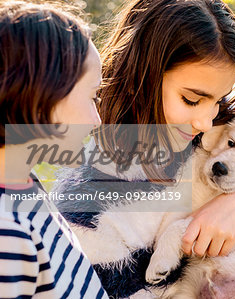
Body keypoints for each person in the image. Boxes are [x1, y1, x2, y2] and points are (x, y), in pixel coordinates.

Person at [50, 0, 235, 298]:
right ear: (142, 75)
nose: (206, 121)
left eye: (219, 99)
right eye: (191, 100)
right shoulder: (94, 201)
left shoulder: (207, 132)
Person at [0, 1, 108, 297]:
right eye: (92, 97)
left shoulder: (23, 182)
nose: (97, 119)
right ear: (41, 95)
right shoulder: (7, 232)